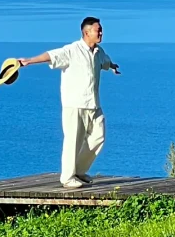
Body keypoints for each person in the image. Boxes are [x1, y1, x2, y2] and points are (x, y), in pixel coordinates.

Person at [15, 17, 120, 188]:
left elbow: (105, 62)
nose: (101, 32)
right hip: (74, 105)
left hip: (94, 105)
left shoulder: (98, 52)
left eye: (101, 29)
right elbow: (51, 55)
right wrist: (28, 61)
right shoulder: (72, 50)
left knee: (99, 137)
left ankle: (78, 171)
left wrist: (113, 66)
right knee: (73, 141)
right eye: (97, 30)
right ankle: (67, 178)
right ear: (86, 33)